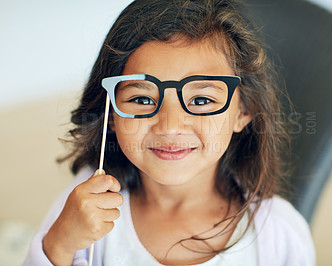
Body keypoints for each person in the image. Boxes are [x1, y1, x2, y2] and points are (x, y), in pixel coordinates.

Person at [24, 0, 315, 265]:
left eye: (201, 100)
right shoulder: (81, 212)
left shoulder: (279, 234)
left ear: (244, 111)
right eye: (142, 99)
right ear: (111, 112)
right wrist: (60, 244)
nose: (170, 127)